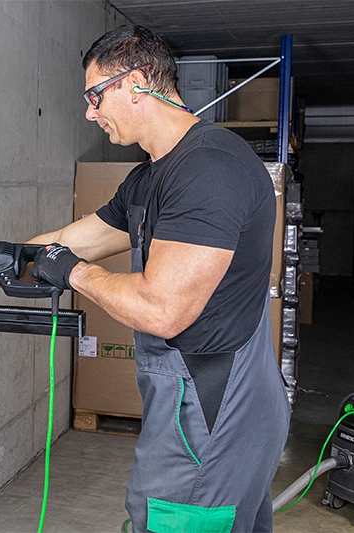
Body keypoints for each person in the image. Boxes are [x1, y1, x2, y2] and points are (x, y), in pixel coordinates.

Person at [29, 25, 291, 533]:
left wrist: (75, 274)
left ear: (135, 83)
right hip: (195, 402)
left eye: (94, 96)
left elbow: (162, 309)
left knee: (174, 521)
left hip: (212, 408)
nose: (90, 113)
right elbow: (65, 241)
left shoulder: (209, 168)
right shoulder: (149, 177)